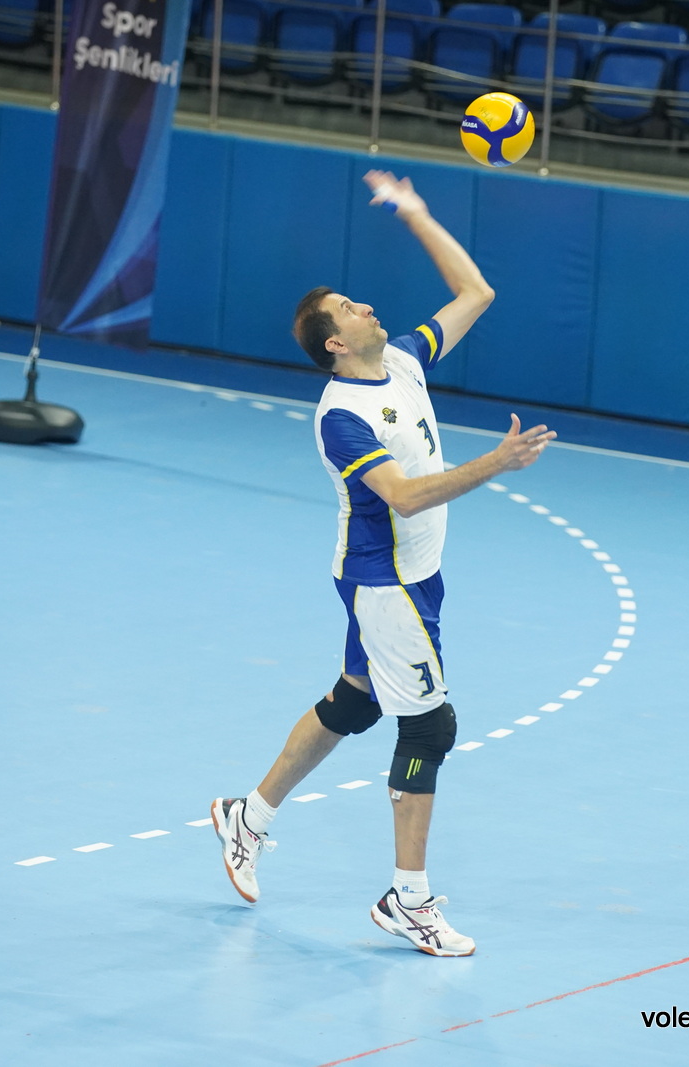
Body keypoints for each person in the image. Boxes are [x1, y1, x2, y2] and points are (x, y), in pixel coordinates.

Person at [211, 169, 556, 957]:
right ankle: (409, 899)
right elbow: (401, 495)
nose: (366, 306)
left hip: (413, 574)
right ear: (334, 343)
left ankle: (246, 817)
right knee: (429, 725)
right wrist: (495, 462)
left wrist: (416, 213)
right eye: (348, 308)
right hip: (385, 582)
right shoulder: (342, 417)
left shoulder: (402, 360)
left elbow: (476, 292)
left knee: (356, 701)